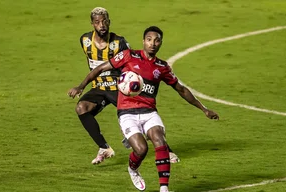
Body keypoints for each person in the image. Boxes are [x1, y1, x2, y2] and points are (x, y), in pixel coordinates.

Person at [68, 26, 219, 192]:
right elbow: (100, 68)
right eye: (149, 40)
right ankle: (133, 169)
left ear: (161, 43)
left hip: (149, 112)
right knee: (141, 149)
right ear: (143, 41)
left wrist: (204, 109)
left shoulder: (162, 67)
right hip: (127, 112)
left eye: (156, 40)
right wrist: (81, 86)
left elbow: (181, 89)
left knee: (159, 140)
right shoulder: (128, 56)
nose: (152, 44)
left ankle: (164, 188)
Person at [73, 7, 180, 165]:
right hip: (99, 88)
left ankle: (167, 151)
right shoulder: (85, 40)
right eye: (97, 22)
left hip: (120, 88)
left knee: (141, 116)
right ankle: (104, 148)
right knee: (81, 107)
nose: (101, 25)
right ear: (92, 24)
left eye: (104, 21)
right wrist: (81, 86)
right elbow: (94, 65)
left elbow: (134, 62)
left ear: (109, 22)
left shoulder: (119, 42)